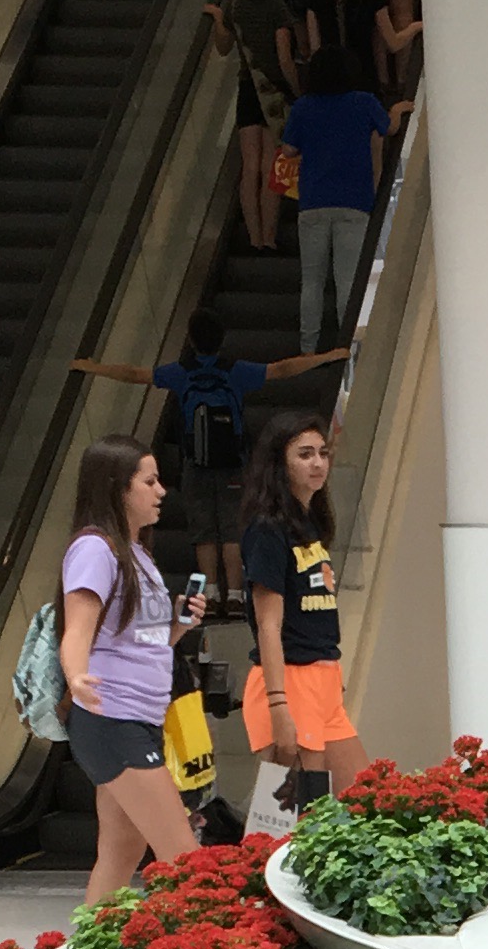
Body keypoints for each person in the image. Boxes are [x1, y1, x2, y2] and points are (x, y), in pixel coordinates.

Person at [67, 311, 344, 617]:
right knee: (232, 527)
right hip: (233, 463)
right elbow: (281, 369)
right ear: (222, 339)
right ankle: (235, 595)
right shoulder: (235, 371)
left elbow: (135, 374)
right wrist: (327, 356)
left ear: (191, 339)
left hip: (196, 463)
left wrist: (92, 367)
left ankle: (210, 593)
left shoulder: (180, 372)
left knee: (203, 529)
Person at [56, 436, 205, 910]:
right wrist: (76, 677)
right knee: (184, 857)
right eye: (149, 481)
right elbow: (77, 629)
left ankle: (90, 946)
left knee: (121, 852)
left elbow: (144, 644)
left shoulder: (136, 553)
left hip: (137, 717)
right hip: (112, 718)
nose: (161, 491)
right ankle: (216, 946)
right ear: (118, 488)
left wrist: (179, 625)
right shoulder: (94, 550)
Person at [238, 412, 360, 828]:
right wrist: (279, 705)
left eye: (323, 453)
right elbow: (267, 625)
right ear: (280, 463)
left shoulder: (310, 523)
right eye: (304, 454)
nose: (318, 463)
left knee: (366, 801)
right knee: (298, 821)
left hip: (322, 677)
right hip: (290, 679)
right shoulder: (267, 530)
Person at [282, 48, 388, 354]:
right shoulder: (364, 102)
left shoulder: (304, 107)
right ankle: (346, 349)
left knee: (312, 281)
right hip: (355, 202)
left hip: (313, 201)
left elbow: (288, 150)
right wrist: (398, 110)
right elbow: (388, 127)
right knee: (348, 282)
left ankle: (308, 349)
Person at [207, 0, 294, 250]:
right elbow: (284, 57)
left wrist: (218, 18)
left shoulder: (236, 7)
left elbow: (223, 47)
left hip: (247, 90)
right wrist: (295, 88)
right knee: (272, 166)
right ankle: (269, 237)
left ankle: (253, 237)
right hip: (274, 94)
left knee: (250, 166)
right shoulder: (278, 8)